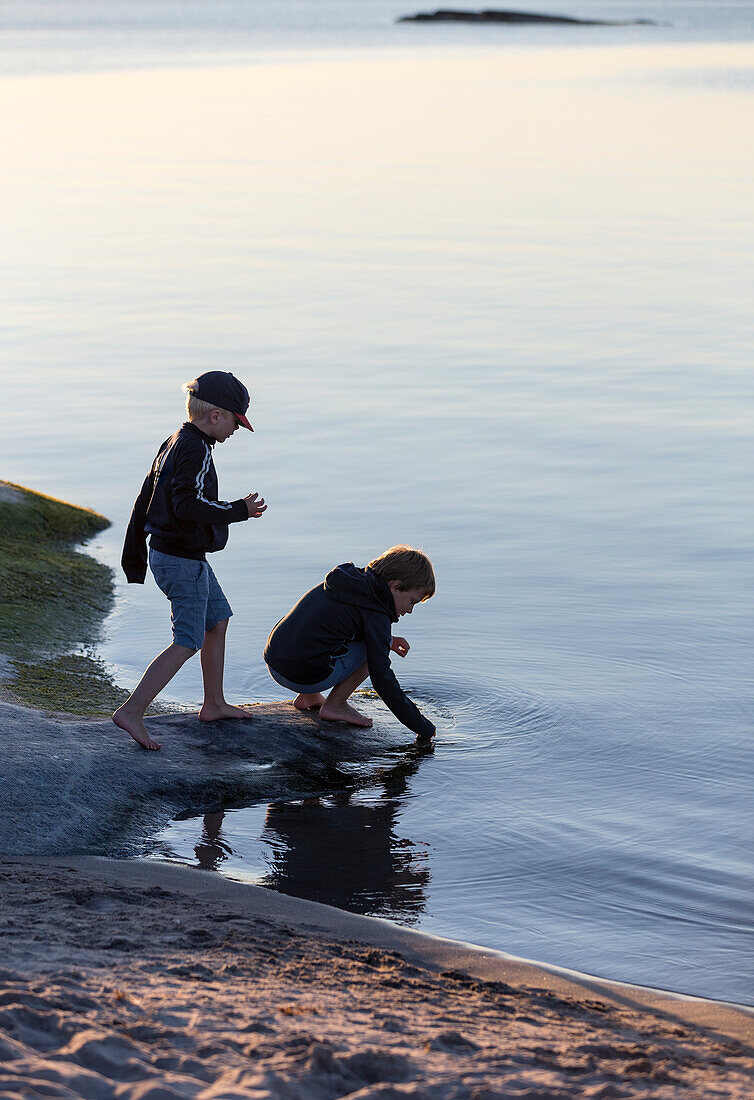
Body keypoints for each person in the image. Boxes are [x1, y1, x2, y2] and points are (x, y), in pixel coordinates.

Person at [115, 371, 267, 750]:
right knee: (186, 639)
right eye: (235, 421)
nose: (236, 430)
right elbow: (188, 505)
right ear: (216, 415)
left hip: (175, 556)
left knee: (216, 620)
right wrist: (239, 510)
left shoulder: (176, 440)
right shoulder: (195, 449)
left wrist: (135, 554)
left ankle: (213, 703)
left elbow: (144, 498)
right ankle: (132, 711)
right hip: (182, 561)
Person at [264, 545, 436, 740]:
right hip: (303, 676)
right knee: (373, 653)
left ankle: (309, 697)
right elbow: (383, 680)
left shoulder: (350, 580)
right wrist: (423, 728)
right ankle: (335, 705)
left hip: (276, 664)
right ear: (395, 586)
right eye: (412, 601)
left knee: (327, 637)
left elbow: (337, 625)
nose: (410, 610)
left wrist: (387, 639)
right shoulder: (376, 611)